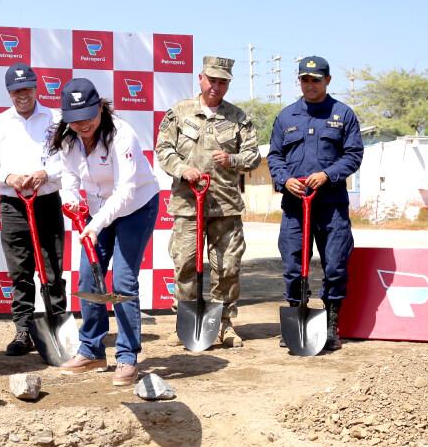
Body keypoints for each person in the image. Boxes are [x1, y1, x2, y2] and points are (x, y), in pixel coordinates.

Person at [51, 79, 159, 386]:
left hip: (137, 207)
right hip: (99, 212)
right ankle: (91, 350)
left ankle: (127, 357)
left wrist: (95, 224)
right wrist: (71, 203)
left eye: (88, 115)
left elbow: (125, 190)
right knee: (88, 277)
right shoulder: (68, 140)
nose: (82, 124)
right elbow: (69, 181)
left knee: (123, 279)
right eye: (75, 119)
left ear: (100, 107)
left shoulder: (123, 134)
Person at [156, 55, 260, 347]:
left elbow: (253, 156)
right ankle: (185, 323)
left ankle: (224, 324)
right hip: (188, 206)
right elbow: (163, 149)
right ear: (200, 79)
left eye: (223, 82)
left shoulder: (239, 118)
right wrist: (182, 169)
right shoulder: (179, 112)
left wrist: (233, 158)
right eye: (212, 80)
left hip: (225, 206)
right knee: (186, 264)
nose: (216, 86)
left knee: (227, 267)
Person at [266, 56, 362, 352]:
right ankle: (298, 317)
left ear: (327, 81)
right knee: (294, 265)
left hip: (331, 206)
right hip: (295, 207)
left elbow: (353, 155)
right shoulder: (286, 117)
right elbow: (275, 156)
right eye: (305, 80)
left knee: (335, 266)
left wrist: (327, 174)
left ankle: (331, 324)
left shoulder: (342, 114)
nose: (310, 85)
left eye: (316, 80)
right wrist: (284, 180)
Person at [0, 63, 66, 356]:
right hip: (13, 205)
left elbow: (69, 160)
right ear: (9, 93)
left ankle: (58, 329)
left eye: (26, 88)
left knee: (52, 269)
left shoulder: (56, 119)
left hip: (47, 202)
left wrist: (46, 174)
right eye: (16, 90)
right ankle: (23, 330)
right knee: (20, 272)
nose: (22, 94)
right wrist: (9, 178)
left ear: (36, 87)